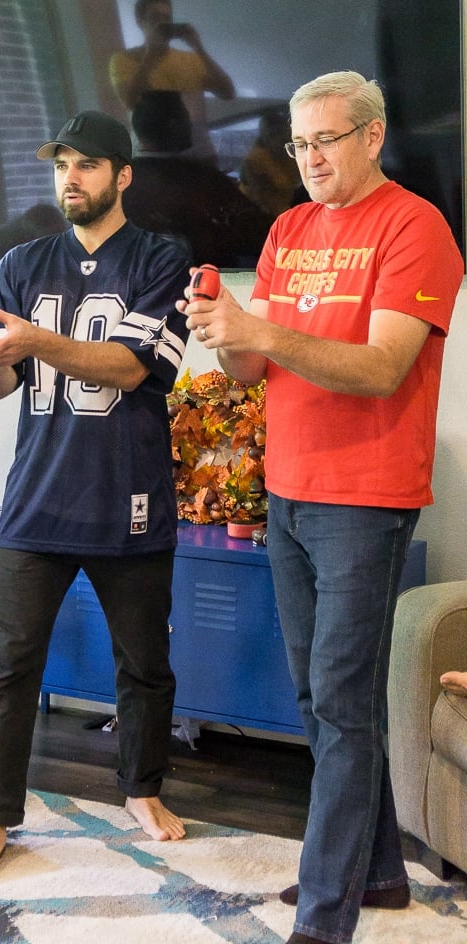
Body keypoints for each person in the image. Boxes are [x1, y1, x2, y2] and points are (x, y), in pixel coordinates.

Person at [181, 72, 463, 944]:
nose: (308, 159)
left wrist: (260, 331)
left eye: (326, 140)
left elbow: (382, 368)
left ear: (372, 137)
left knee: (339, 699)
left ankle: (325, 912)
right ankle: (375, 874)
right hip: (288, 487)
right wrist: (223, 329)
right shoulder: (288, 230)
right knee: (318, 694)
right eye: (299, 143)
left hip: (367, 497)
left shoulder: (417, 227)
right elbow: (249, 372)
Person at [0, 109, 190, 881]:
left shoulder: (164, 259)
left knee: (144, 663)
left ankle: (141, 790)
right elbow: (2, 384)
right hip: (37, 498)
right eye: (61, 166)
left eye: (86, 165)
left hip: (128, 495)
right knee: (5, 668)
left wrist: (30, 341)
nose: (69, 179)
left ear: (123, 175)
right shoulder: (22, 261)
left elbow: (132, 368)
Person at [109, 0, 234, 160]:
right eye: (154, 18)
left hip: (198, 152)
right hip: (152, 157)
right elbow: (130, 102)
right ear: (140, 22)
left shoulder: (190, 59)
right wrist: (150, 56)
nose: (162, 23)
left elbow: (228, 92)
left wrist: (199, 48)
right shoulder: (123, 60)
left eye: (167, 18)